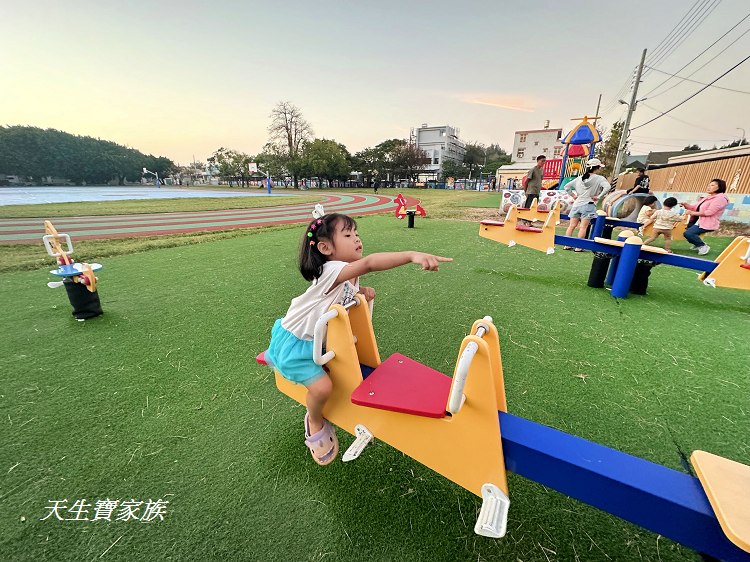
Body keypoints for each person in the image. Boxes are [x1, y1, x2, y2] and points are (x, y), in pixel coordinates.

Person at [265, 213, 452, 465]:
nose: (357, 239)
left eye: (357, 234)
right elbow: (370, 263)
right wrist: (411, 255)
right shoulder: (331, 270)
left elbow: (346, 291)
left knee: (336, 372)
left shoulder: (346, 275)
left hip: (316, 341)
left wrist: (362, 291)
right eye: (348, 235)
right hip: (296, 344)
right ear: (325, 248)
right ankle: (314, 420)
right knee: (322, 388)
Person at [563, 158, 613, 252]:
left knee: (571, 226)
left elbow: (567, 187)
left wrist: (573, 195)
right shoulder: (600, 178)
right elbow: (607, 187)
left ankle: (567, 244)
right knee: (583, 227)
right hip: (589, 204)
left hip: (577, 204)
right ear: (597, 168)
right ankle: (579, 246)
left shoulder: (579, 178)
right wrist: (599, 196)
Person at [680, 178, 729, 256]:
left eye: (712, 185)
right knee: (687, 233)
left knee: (689, 233)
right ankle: (698, 244)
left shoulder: (721, 198)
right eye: (709, 185)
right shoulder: (708, 197)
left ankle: (703, 246)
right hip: (698, 220)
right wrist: (686, 205)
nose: (709, 187)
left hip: (708, 222)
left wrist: (692, 213)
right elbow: (695, 207)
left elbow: (710, 212)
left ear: (720, 187)